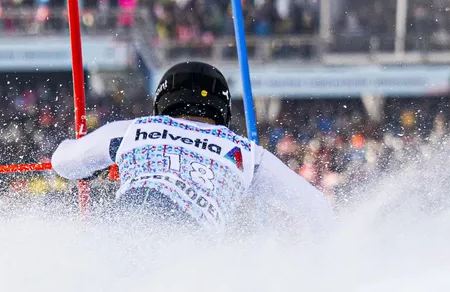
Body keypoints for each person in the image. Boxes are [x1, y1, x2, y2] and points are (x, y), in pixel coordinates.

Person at [51, 61, 333, 234]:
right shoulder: (248, 154)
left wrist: (100, 163)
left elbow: (63, 162)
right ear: (222, 109)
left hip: (125, 226)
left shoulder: (133, 129)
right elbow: (315, 208)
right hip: (191, 250)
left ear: (163, 101)